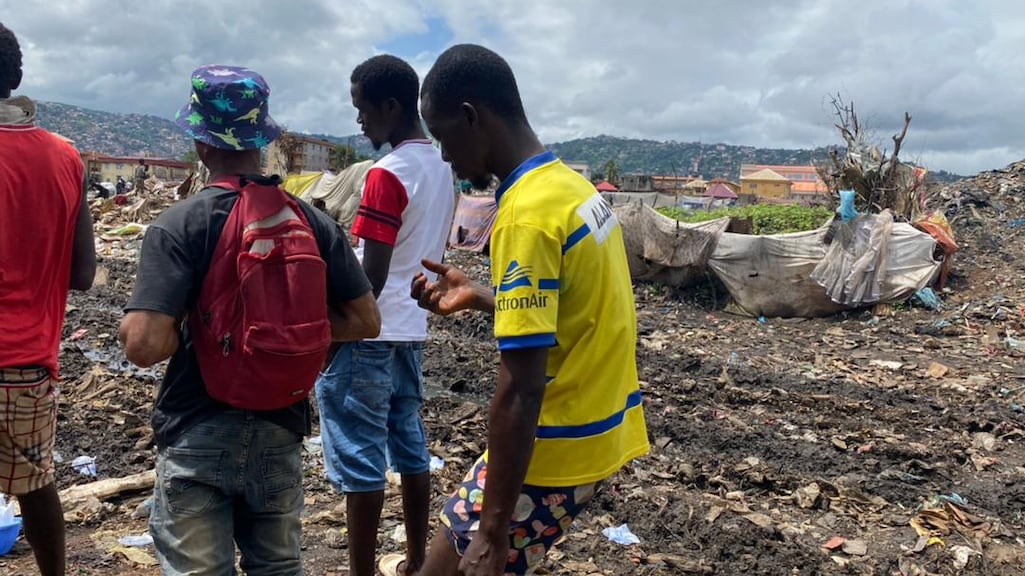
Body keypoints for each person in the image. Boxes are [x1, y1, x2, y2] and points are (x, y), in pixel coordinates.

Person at [118, 64, 381, 576]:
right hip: (280, 427)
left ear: (201, 143)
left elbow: (143, 345)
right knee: (278, 567)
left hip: (197, 426)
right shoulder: (313, 221)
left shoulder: (180, 224)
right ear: (263, 139)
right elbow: (366, 320)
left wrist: (205, 327)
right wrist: (284, 328)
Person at [405, 44, 650, 576]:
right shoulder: (572, 189)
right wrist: (481, 295)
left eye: (443, 136)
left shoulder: (526, 214)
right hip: (599, 427)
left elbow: (521, 388)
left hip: (553, 446)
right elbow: (577, 308)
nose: (444, 156)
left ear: (471, 116)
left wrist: (493, 531)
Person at [316, 54, 456, 576]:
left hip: (369, 334)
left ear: (391, 106)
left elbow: (370, 277)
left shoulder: (387, 173)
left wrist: (330, 335)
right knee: (409, 442)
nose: (359, 121)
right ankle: (417, 560)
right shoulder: (443, 167)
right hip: (411, 328)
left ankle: (362, 572)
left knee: (360, 458)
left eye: (362, 109)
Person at [0, 22, 97, 576]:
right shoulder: (65, 157)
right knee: (36, 486)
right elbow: (83, 274)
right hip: (29, 365)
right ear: (15, 78)